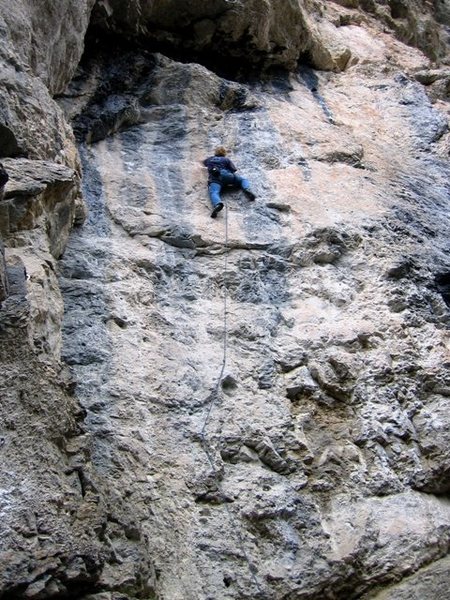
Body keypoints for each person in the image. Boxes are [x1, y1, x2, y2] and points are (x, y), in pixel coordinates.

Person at [203, 147, 256, 218]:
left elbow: (204, 162)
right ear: (224, 153)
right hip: (227, 175)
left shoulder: (210, 159)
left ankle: (218, 204)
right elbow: (233, 169)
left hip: (215, 179)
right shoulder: (226, 159)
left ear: (215, 153)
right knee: (243, 180)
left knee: (214, 192)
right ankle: (246, 188)